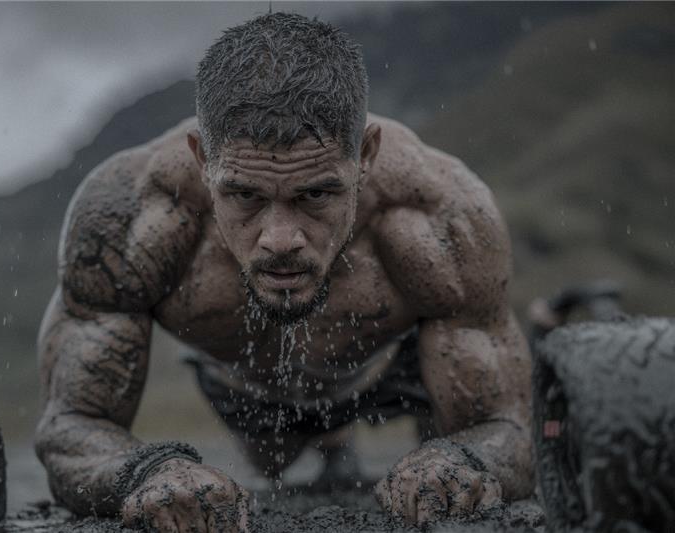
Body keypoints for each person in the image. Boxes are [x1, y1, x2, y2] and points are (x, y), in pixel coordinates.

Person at [35, 12, 534, 532]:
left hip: (386, 374)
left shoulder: (436, 214)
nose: (280, 241)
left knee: (447, 479)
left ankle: (371, 442)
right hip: (247, 393)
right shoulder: (134, 215)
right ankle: (331, 444)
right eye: (245, 195)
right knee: (268, 463)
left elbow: (508, 428)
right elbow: (71, 426)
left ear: (365, 156)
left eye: (315, 194)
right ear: (203, 159)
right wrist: (148, 473)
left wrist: (464, 462)